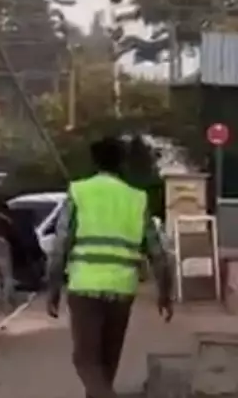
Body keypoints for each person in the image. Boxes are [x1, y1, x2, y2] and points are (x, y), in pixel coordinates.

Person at [46, 135, 173, 398]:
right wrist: (165, 294)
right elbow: (158, 253)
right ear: (123, 163)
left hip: (85, 287)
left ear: (94, 161)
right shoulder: (137, 198)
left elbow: (60, 245)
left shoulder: (80, 191)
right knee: (106, 365)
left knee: (86, 361)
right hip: (122, 290)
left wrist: (53, 289)